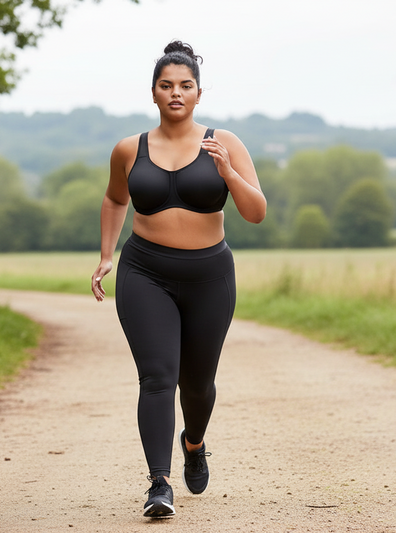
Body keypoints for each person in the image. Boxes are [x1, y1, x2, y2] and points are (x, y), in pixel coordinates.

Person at [91, 40, 266, 518]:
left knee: (198, 384)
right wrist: (107, 255)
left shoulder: (224, 143)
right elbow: (114, 200)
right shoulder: (130, 149)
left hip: (210, 275)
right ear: (153, 93)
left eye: (185, 85)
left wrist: (227, 171)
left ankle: (194, 442)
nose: (175, 93)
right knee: (157, 378)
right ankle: (159, 484)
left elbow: (256, 213)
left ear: (198, 93)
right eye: (166, 85)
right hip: (145, 271)